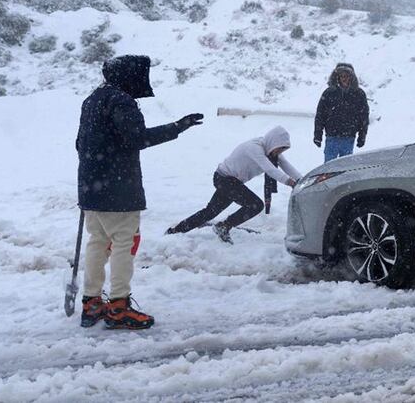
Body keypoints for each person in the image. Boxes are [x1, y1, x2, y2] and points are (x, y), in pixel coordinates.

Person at [76, 55, 203, 330]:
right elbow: (138, 138)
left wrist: (92, 177)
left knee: (97, 242)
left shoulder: (92, 100)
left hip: (90, 187)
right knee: (124, 242)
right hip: (118, 191)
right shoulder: (121, 101)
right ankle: (119, 306)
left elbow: (79, 143)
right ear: (128, 76)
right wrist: (177, 127)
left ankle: (91, 302)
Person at [167, 126, 300, 243]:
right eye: (279, 149)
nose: (279, 153)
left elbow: (287, 166)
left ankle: (177, 231)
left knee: (210, 212)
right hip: (224, 179)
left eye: (282, 151)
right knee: (255, 205)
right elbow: (270, 169)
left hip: (231, 182)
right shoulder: (254, 148)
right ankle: (223, 226)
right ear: (273, 142)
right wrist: (290, 182)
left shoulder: (270, 151)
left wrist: (302, 180)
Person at [313, 63, 369, 162]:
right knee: (328, 168)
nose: (344, 78)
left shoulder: (359, 94)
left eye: (347, 76)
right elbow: (320, 115)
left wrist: (362, 136)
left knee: (345, 168)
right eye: (342, 76)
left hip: (349, 138)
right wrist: (318, 135)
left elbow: (363, 117)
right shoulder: (329, 93)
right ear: (337, 77)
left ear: (352, 77)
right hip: (331, 137)